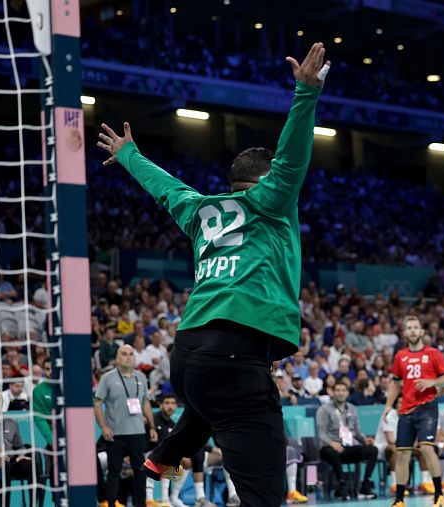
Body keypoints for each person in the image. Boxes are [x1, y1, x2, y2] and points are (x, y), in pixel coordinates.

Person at [98, 43, 331, 507]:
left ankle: (166, 451)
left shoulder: (202, 210)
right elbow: (292, 158)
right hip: (236, 355)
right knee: (265, 495)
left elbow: (167, 190)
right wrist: (306, 94)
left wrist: (129, 155)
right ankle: (170, 448)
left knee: (211, 400)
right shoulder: (273, 201)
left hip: (187, 357)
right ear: (266, 182)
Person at [383, 316, 444, 507]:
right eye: (409, 328)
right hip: (406, 409)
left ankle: (439, 495)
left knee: (427, 448)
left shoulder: (433, 354)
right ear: (404, 333)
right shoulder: (400, 356)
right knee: (402, 453)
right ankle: (399, 500)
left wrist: (433, 382)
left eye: (415, 327)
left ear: (422, 331)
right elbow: (396, 384)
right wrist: (388, 405)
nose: (412, 331)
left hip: (427, 407)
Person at [94, 344, 158, 507]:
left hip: (137, 432)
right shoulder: (108, 378)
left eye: (131, 354)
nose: (128, 357)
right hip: (115, 433)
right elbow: (97, 402)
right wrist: (103, 427)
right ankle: (110, 504)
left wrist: (151, 426)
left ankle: (140, 504)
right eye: (124, 354)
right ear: (117, 358)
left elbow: (145, 403)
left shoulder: (141, 377)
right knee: (114, 472)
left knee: (140, 471)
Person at [315, 380, 378, 500]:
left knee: (372, 450)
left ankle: (365, 485)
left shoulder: (352, 409)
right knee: (333, 452)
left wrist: (365, 440)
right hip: (329, 448)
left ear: (347, 393)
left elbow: (357, 431)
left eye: (343, 390)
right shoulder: (324, 409)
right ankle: (341, 486)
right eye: (337, 390)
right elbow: (321, 433)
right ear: (333, 393)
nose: (340, 393)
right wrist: (332, 443)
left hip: (348, 446)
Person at [0, 389, 46, 507]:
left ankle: (34, 504)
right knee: (4, 464)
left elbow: (19, 445)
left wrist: (21, 455)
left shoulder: (11, 423)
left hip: (11, 462)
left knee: (32, 464)